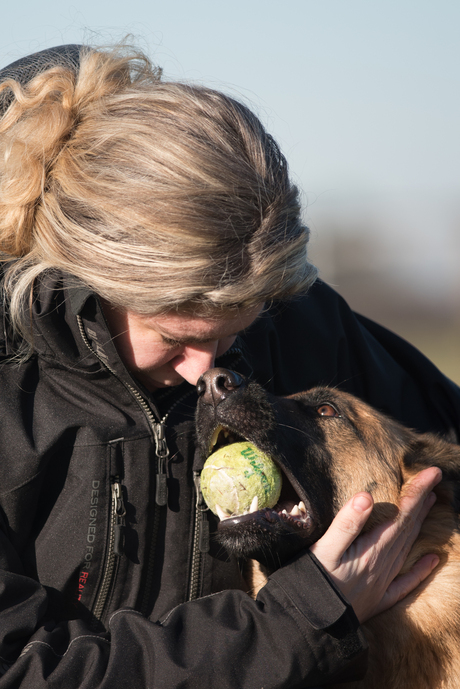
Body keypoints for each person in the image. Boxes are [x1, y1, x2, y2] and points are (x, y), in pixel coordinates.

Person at [0, 43, 458, 689]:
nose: (205, 371)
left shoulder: (295, 321)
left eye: (233, 333)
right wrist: (306, 615)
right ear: (88, 272)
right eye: (173, 335)